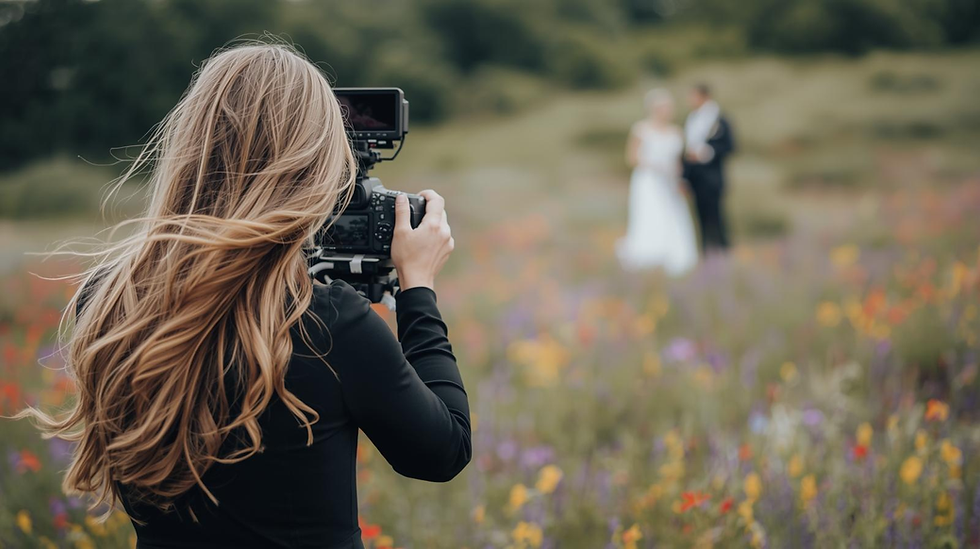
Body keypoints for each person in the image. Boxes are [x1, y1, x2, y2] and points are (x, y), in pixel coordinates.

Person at [18, 43, 471, 548]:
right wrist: (418, 286)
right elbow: (442, 452)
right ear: (313, 162)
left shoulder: (104, 300)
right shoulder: (330, 323)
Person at [617, 88, 699, 275]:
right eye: (664, 107)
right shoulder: (641, 129)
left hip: (669, 182)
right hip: (648, 181)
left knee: (673, 215)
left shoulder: (676, 132)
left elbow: (678, 162)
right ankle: (648, 255)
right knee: (650, 214)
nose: (668, 111)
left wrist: (681, 180)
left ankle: (675, 258)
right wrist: (655, 166)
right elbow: (631, 158)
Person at [682, 83, 735, 253]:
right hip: (695, 177)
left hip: (712, 177)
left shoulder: (720, 119)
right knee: (700, 216)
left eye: (694, 96)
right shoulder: (691, 119)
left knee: (717, 215)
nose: (690, 100)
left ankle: (723, 249)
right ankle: (705, 250)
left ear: (705, 96)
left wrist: (707, 152)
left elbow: (730, 146)